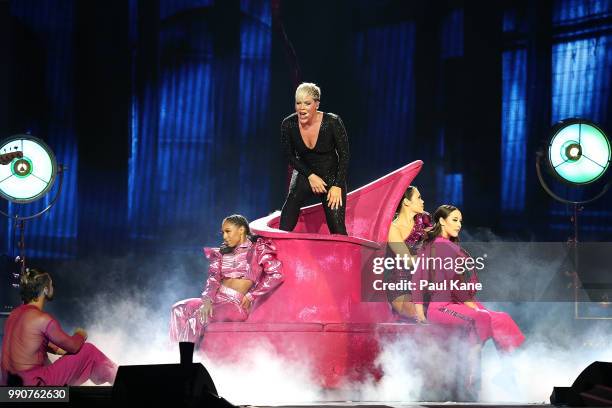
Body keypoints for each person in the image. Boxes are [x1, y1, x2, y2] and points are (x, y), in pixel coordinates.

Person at [411, 205, 525, 352]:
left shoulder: (450, 247)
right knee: (481, 318)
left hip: (459, 303)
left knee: (502, 319)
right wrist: (420, 315)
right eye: (455, 220)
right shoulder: (437, 247)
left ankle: (507, 369)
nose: (459, 225)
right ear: (442, 221)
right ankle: (473, 373)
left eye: (460, 221)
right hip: (443, 307)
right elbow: (419, 281)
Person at [170, 214, 284, 343]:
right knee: (179, 308)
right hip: (216, 299)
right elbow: (213, 280)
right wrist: (207, 301)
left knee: (198, 317)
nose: (224, 236)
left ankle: (184, 361)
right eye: (223, 232)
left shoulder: (258, 248)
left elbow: (276, 274)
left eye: (228, 231)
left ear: (241, 230)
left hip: (235, 303)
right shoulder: (221, 253)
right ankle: (173, 355)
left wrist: (252, 295)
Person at [0, 267, 117, 386]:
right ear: (45, 290)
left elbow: (38, 345)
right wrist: (80, 334)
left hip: (9, 388)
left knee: (45, 359)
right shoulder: (42, 319)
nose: (53, 287)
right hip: (33, 389)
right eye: (51, 284)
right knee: (88, 350)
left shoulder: (13, 315)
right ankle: (122, 382)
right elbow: (74, 347)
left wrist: (62, 353)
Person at [279, 82, 349, 235]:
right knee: (289, 209)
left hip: (331, 177)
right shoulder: (288, 124)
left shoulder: (332, 122)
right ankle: (276, 252)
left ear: (317, 104)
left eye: (307, 103)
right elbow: (289, 155)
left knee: (337, 228)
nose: (301, 108)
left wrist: (337, 185)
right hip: (305, 173)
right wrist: (310, 176)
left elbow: (344, 155)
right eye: (298, 103)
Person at [385, 186, 431, 319]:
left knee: (444, 311)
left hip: (424, 282)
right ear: (406, 202)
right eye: (419, 198)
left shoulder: (424, 220)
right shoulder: (393, 228)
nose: (422, 201)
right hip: (400, 284)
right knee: (419, 314)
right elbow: (409, 260)